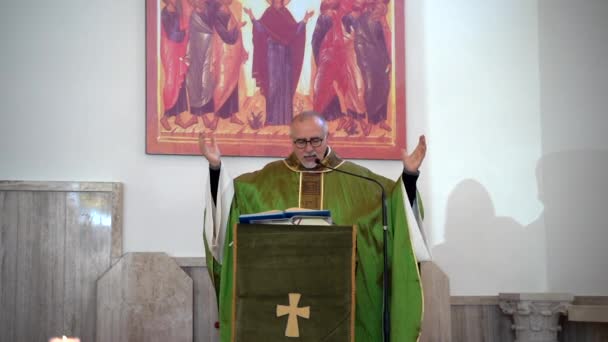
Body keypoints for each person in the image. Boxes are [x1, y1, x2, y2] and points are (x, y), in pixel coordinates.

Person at [200, 111, 429, 341]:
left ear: (328, 137)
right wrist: (216, 169)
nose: (309, 148)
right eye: (300, 142)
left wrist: (409, 176)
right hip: (281, 299)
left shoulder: (365, 185)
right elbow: (229, 203)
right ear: (291, 141)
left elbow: (397, 210)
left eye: (315, 140)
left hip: (346, 304)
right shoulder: (266, 181)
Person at [244, 1, 314, 126]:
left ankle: (286, 119)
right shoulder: (268, 13)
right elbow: (260, 29)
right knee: (273, 86)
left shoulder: (286, 14)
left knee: (286, 85)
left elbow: (295, 31)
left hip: (286, 55)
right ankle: (271, 119)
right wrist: (252, 18)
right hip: (272, 55)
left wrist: (304, 20)